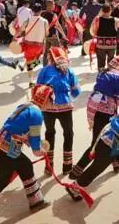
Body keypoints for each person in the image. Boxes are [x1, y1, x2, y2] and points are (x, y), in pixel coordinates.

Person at [0, 85, 51, 215]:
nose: (52, 103)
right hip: (8, 147)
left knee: (25, 166)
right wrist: (39, 150)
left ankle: (36, 201)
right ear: (46, 100)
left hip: (2, 141)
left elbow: (17, 127)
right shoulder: (37, 114)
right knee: (3, 178)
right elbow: (35, 140)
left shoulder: (25, 106)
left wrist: (32, 143)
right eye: (51, 100)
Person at [70, 54, 119, 180]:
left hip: (95, 108)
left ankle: (116, 163)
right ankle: (77, 171)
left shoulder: (104, 72)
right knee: (100, 143)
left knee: (108, 139)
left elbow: (109, 94)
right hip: (107, 112)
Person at [36, 47, 80, 175]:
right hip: (65, 107)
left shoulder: (44, 71)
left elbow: (38, 89)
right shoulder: (69, 71)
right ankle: (67, 166)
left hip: (47, 108)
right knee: (68, 133)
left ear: (50, 58)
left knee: (49, 133)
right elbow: (76, 92)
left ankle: (49, 167)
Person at [90, 3, 119, 70]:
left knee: (101, 63)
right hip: (111, 44)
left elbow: (92, 31)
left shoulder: (98, 19)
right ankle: (110, 76)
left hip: (100, 45)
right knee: (111, 63)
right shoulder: (115, 20)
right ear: (110, 10)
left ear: (102, 11)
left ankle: (101, 76)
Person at [19, 3, 48, 86]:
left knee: (30, 61)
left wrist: (15, 37)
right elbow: (47, 33)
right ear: (41, 11)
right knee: (35, 61)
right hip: (39, 45)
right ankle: (27, 69)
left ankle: (31, 80)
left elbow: (21, 30)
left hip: (28, 45)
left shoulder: (28, 20)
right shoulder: (45, 21)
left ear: (32, 11)